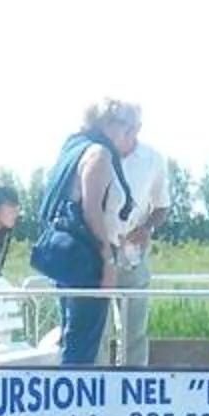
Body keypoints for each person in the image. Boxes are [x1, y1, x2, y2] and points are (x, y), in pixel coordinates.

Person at [32, 99, 139, 367]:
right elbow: (92, 212)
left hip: (69, 258)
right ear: (108, 125)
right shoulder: (98, 154)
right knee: (83, 344)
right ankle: (75, 404)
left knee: (74, 337)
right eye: (127, 127)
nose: (131, 135)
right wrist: (107, 262)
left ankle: (69, 401)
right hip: (87, 260)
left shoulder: (73, 149)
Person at [107, 136, 172, 365]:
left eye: (129, 124)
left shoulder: (153, 158)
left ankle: (132, 383)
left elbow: (162, 205)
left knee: (134, 327)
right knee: (98, 327)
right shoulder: (98, 153)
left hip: (132, 248)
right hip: (98, 247)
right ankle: (97, 385)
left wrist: (146, 228)